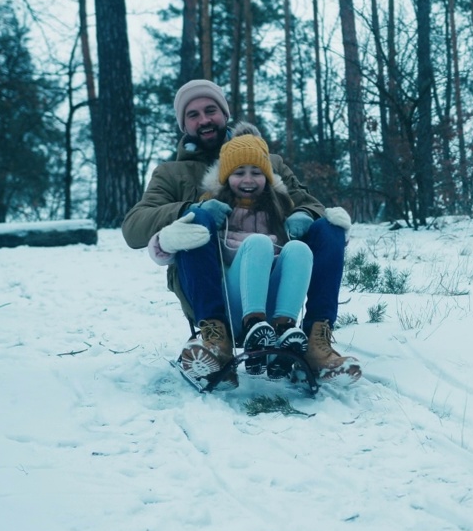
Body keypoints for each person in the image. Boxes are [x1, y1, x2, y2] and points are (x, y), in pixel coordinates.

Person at [122, 79, 361, 385]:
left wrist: (303, 213)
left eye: (211, 110)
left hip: (272, 278)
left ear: (225, 114)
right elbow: (133, 227)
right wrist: (187, 210)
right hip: (214, 286)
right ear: (184, 124)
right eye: (193, 115)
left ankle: (317, 344)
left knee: (330, 228)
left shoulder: (267, 162)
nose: (204, 120)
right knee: (197, 220)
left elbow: (308, 203)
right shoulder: (172, 174)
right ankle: (215, 340)